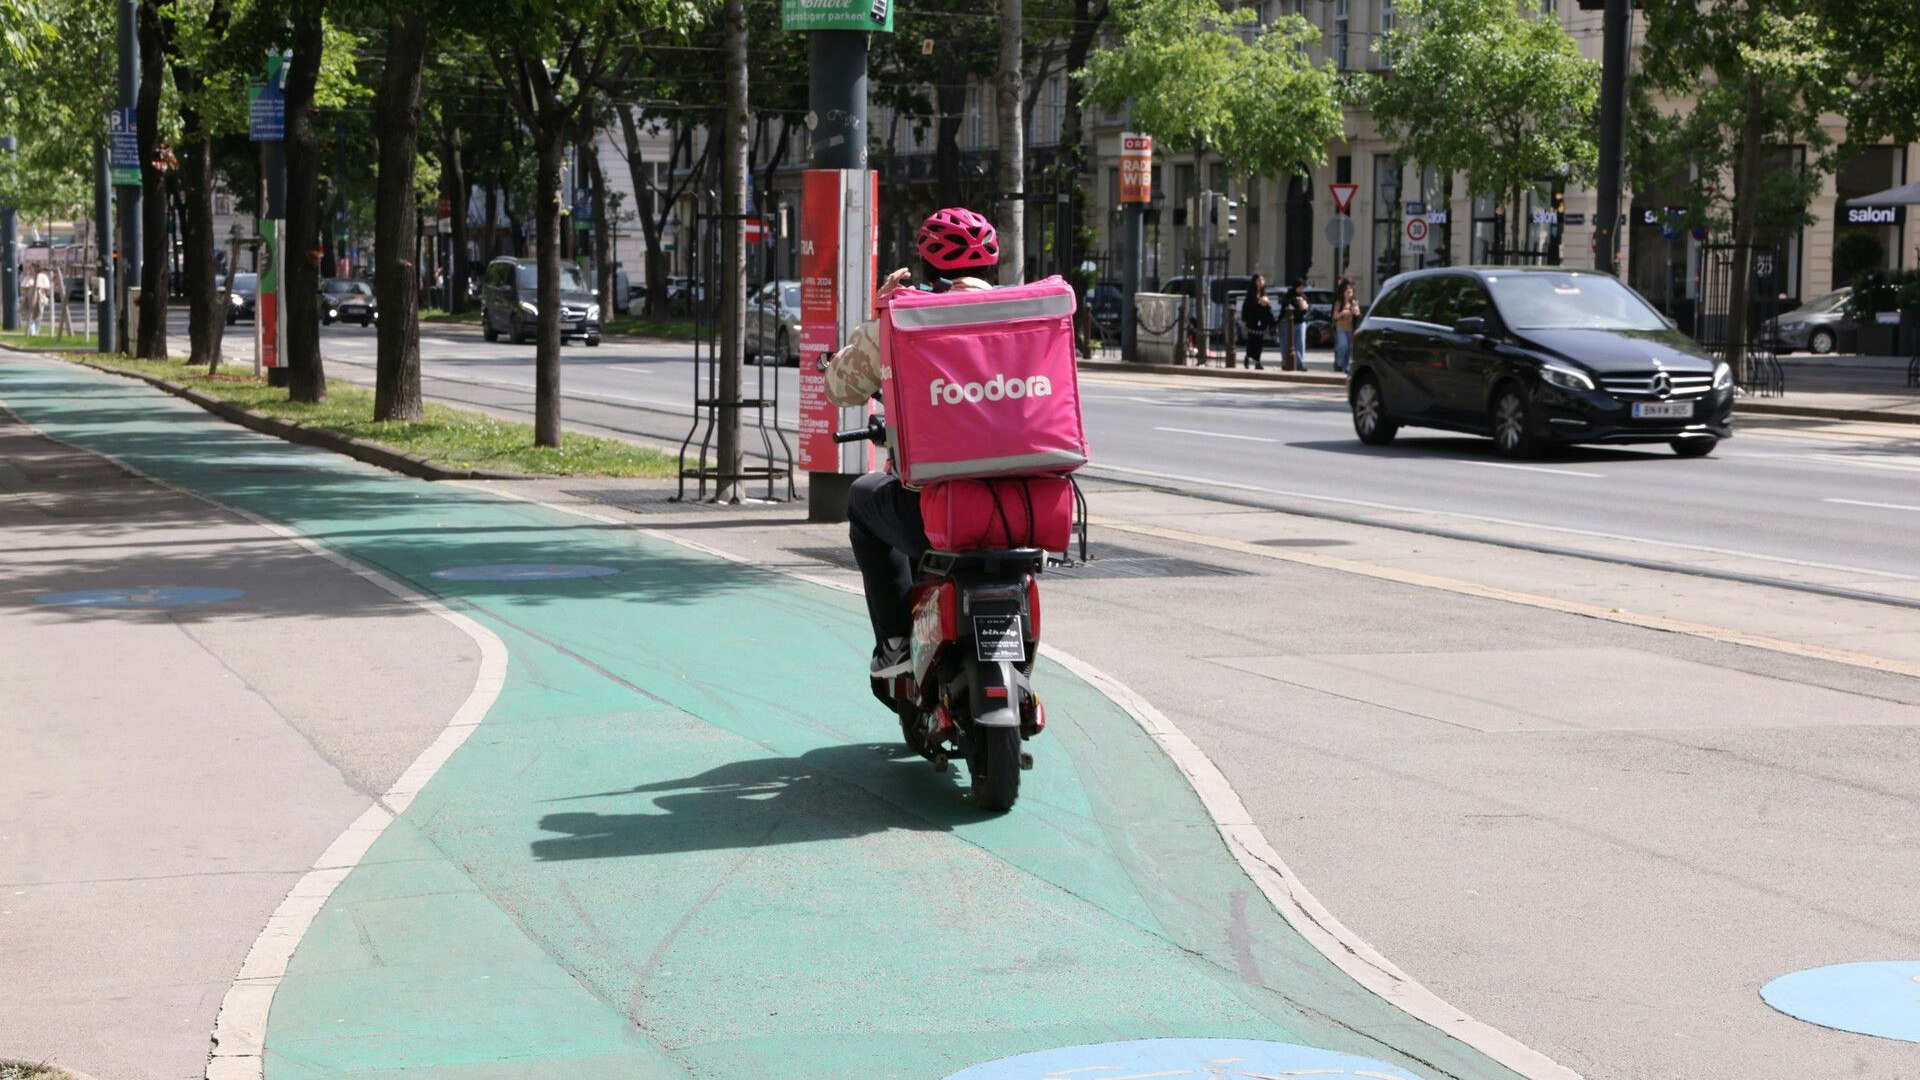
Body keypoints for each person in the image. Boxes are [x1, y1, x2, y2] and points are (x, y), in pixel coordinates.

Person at [825, 207, 999, 680]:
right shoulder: (1025, 314)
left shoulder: (905, 317)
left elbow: (840, 389)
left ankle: (897, 641)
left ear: (925, 268)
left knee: (863, 500)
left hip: (935, 512)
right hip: (1021, 510)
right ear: (990, 268)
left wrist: (881, 310)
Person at [1239, 274, 1274, 370]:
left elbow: (1268, 310)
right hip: (1252, 321)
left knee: (1259, 343)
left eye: (1262, 280)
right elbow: (1246, 307)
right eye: (1259, 280)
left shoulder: (1264, 294)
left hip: (1261, 321)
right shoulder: (1251, 294)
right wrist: (1245, 320)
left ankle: (1257, 362)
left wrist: (1270, 321)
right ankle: (1247, 357)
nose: (1261, 281)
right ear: (1255, 282)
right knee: (1251, 341)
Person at [1332, 276, 1360, 374]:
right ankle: (1339, 363)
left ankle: (1345, 366)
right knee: (1343, 345)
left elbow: (1358, 314)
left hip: (1350, 328)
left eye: (1351, 292)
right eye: (1348, 292)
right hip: (1340, 327)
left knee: (1348, 348)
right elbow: (1335, 316)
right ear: (1343, 292)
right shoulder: (1339, 302)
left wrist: (1355, 312)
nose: (1350, 294)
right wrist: (1342, 313)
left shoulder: (1354, 302)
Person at [1282, 279, 1311, 370]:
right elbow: (1285, 304)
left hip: (1301, 322)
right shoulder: (1289, 295)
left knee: (1301, 343)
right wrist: (1295, 300)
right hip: (1289, 323)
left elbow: (1305, 309)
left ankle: (1300, 364)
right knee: (1288, 344)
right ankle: (1287, 363)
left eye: (1303, 288)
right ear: (1296, 287)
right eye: (1300, 287)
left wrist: (1304, 305)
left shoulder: (1303, 296)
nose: (1301, 289)